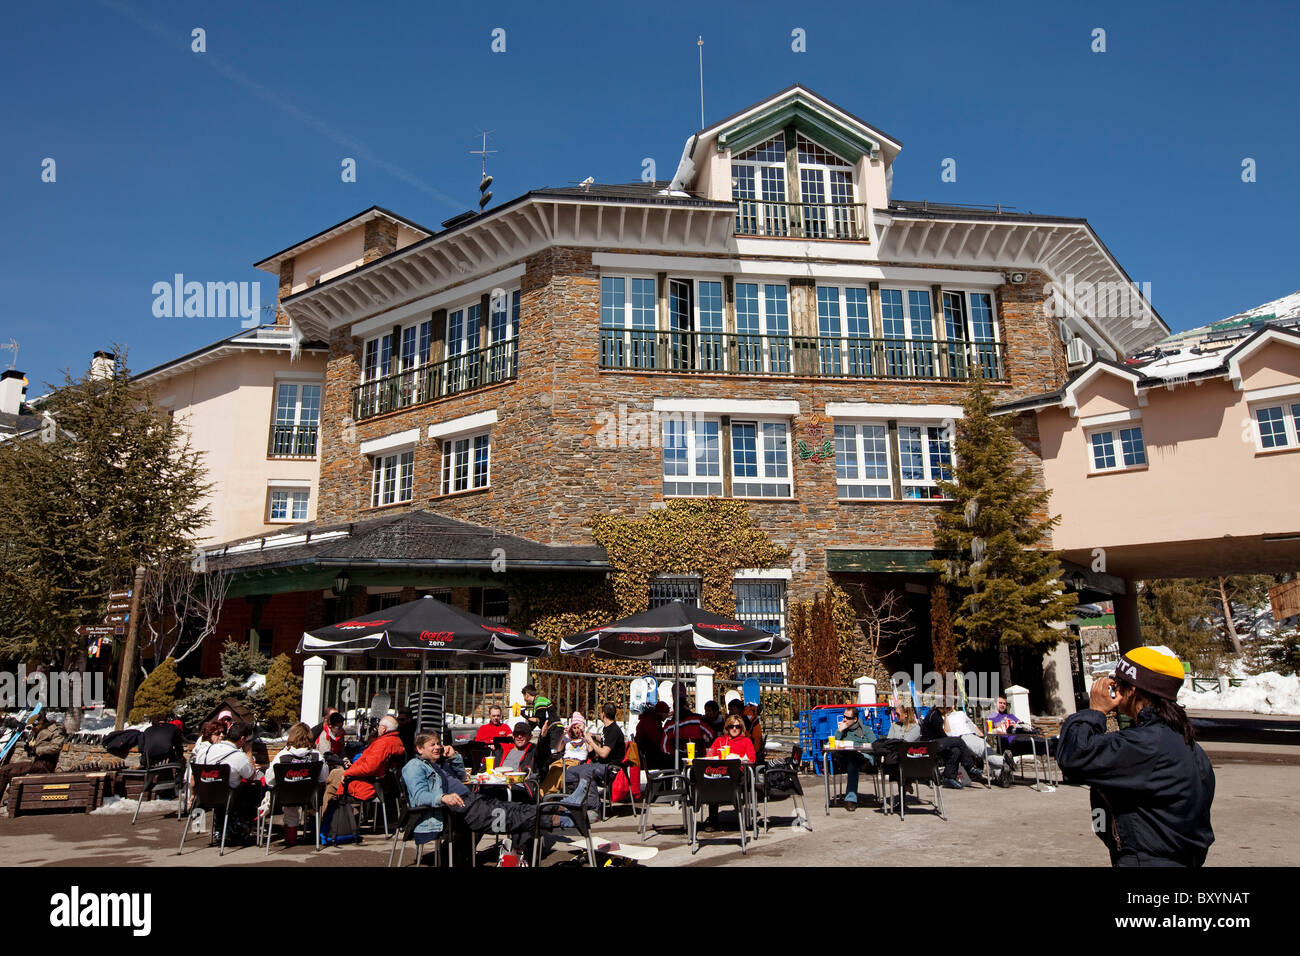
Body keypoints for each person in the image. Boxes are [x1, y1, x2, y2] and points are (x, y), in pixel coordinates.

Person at [1056, 647, 1215, 867]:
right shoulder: (1185, 743)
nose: (1115, 691)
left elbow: (1073, 757)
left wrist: (1095, 712)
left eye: (1118, 684)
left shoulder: (1145, 744)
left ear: (1132, 691)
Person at [402, 733, 591, 863]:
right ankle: (566, 818)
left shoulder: (436, 764)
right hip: (454, 811)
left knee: (514, 807)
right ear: (419, 749)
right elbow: (419, 796)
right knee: (510, 817)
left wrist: (454, 757)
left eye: (438, 743)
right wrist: (443, 797)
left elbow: (461, 777)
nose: (438, 747)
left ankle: (564, 807)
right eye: (432, 745)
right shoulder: (414, 767)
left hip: (470, 801)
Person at [321, 714, 406, 822]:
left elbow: (368, 767)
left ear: (383, 729)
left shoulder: (383, 744)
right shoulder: (396, 741)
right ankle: (351, 817)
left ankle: (325, 824)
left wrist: (348, 773)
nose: (377, 728)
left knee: (332, 781)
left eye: (379, 726)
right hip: (378, 783)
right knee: (335, 776)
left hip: (368, 785)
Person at [196, 720, 263, 844]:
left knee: (225, 788)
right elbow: (251, 776)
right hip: (228, 798)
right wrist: (248, 752)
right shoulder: (239, 756)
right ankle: (239, 828)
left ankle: (220, 829)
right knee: (254, 787)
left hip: (203, 795)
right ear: (243, 739)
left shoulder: (205, 750)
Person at [265, 722, 330, 846]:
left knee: (290, 806)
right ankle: (314, 834)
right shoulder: (317, 756)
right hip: (310, 797)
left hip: (286, 797)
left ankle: (291, 838)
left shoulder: (282, 756)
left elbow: (269, 780)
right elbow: (323, 778)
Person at [564, 703, 625, 809]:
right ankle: (578, 801)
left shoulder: (614, 730)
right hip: (602, 765)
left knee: (587, 772)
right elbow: (602, 738)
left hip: (611, 768)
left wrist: (591, 742)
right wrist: (590, 735)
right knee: (570, 771)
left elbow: (604, 753)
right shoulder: (607, 728)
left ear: (603, 714)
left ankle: (594, 808)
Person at [0, 712, 67, 803]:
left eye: (34, 727)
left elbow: (56, 747)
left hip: (45, 765)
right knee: (5, 770)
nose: (33, 730)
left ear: (40, 723)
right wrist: (30, 748)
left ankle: (14, 797)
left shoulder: (56, 730)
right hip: (35, 763)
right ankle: (14, 796)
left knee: (6, 771)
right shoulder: (37, 731)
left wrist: (37, 750)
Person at [921, 703, 985, 788]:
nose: (948, 711)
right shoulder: (934, 716)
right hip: (930, 743)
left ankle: (948, 777)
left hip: (936, 742)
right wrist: (951, 741)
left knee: (956, 750)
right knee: (959, 741)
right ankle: (969, 766)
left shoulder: (938, 715)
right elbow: (942, 734)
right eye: (947, 708)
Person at [833, 707, 877, 811]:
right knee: (852, 760)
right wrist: (839, 730)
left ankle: (850, 800)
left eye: (848, 718)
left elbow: (875, 746)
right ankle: (850, 799)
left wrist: (861, 750)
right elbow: (835, 744)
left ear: (855, 719)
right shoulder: (842, 731)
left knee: (854, 761)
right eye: (844, 717)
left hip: (865, 758)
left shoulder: (866, 730)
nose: (844, 720)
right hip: (847, 760)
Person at [635, 701, 669, 770]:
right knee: (670, 760)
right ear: (660, 713)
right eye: (666, 713)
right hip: (648, 757)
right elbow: (656, 739)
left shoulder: (650, 720)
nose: (667, 715)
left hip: (646, 754)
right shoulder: (650, 722)